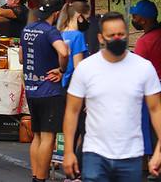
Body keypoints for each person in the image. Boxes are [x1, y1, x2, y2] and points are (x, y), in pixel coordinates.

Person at [64, 12, 161, 182]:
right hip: (95, 154)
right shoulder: (87, 68)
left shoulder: (144, 68)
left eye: (121, 34)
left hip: (131, 155)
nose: (117, 38)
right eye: (111, 35)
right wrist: (68, 151)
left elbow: (156, 109)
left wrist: (159, 149)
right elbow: (72, 111)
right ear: (101, 38)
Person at [22, 0, 69, 182]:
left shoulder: (27, 29)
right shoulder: (50, 31)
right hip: (49, 89)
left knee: (37, 135)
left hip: (31, 87)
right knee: (48, 137)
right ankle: (41, 178)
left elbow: (20, 58)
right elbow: (64, 51)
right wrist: (61, 69)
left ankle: (35, 174)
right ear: (56, 13)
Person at [131, 0, 161, 164]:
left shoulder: (145, 41)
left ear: (143, 19)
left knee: (151, 128)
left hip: (152, 90)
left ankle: (151, 162)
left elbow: (136, 68)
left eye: (135, 16)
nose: (133, 20)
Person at [60, 1, 90, 88]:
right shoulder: (78, 36)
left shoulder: (59, 33)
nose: (87, 22)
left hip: (61, 81)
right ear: (80, 17)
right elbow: (78, 66)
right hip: (72, 83)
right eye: (87, 19)